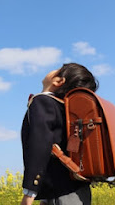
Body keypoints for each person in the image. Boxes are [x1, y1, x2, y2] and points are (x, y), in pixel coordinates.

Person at [21, 63, 98, 205]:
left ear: (58, 81)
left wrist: (30, 192)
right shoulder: (67, 110)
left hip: (61, 193)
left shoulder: (42, 102)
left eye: (58, 70)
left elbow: (40, 146)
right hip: (77, 190)